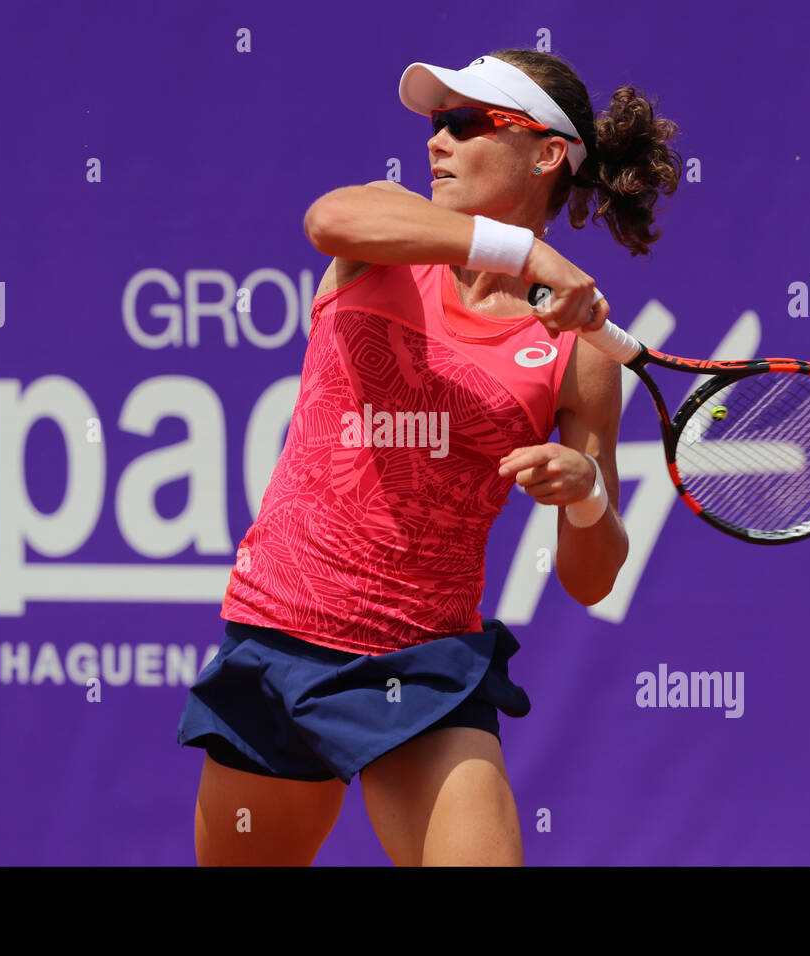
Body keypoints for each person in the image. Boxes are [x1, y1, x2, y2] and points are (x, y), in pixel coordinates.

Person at [177, 48, 682, 866]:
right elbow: (325, 221)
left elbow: (591, 579)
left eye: (467, 122)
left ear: (548, 154)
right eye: (434, 124)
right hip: (279, 641)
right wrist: (524, 256)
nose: (437, 142)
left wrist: (585, 493)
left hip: (422, 671)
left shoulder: (578, 352)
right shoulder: (381, 226)